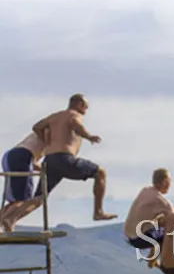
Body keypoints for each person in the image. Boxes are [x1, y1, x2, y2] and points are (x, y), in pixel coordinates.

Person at [19, 94, 115, 227]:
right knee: (101, 173)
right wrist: (89, 136)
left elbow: (36, 127)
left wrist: (47, 143)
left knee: (39, 198)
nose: (86, 111)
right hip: (65, 159)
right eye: (85, 107)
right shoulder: (73, 114)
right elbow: (75, 124)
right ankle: (98, 212)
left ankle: (8, 219)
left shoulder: (55, 116)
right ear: (80, 104)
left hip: (50, 160)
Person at [124, 168, 174, 264]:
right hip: (140, 239)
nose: (171, 184)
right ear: (165, 182)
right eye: (170, 181)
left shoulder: (144, 191)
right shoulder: (162, 202)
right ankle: (156, 259)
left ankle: (154, 254)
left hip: (128, 236)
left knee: (160, 224)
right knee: (173, 231)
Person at [0, 130, 47, 232]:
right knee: (23, 200)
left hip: (10, 156)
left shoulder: (39, 136)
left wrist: (44, 169)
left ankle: (3, 223)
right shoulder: (53, 131)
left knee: (15, 200)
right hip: (21, 156)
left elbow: (32, 163)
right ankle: (8, 221)